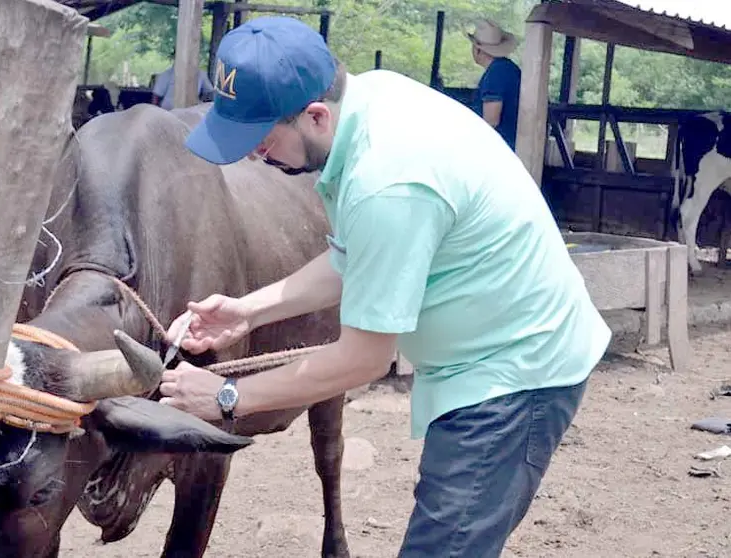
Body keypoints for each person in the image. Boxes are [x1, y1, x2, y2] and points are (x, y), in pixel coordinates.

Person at [158, 15, 611, 558]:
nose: (254, 155)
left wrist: (228, 397)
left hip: (513, 375)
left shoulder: (387, 182)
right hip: (481, 355)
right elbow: (354, 257)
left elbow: (364, 360)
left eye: (261, 139)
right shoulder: (370, 100)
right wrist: (248, 312)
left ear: (316, 116)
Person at [468, 19, 522, 150]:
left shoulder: (495, 73)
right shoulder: (508, 68)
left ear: (478, 50)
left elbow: (491, 121)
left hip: (500, 148)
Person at [151, 49, 216, 110]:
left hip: (192, 112)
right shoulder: (166, 75)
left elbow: (209, 92)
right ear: (175, 57)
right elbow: (156, 96)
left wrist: (201, 102)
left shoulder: (201, 74)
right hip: (169, 113)